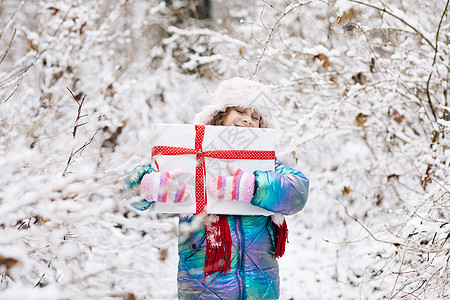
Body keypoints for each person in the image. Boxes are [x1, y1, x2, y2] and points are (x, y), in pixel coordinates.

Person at [124, 77, 309, 299]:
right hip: (203, 289)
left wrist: (254, 186)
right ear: (220, 116)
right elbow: (131, 189)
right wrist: (149, 185)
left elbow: (297, 192)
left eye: (255, 116)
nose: (248, 120)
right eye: (240, 111)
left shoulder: (267, 164)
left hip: (260, 289)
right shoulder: (191, 154)